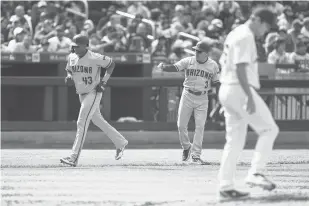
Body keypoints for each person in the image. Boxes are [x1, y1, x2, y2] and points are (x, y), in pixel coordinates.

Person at [217, 7, 279, 201]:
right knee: (269, 129)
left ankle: (226, 187)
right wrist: (249, 97)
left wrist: (229, 96)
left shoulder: (235, 33)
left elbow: (224, 63)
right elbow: (240, 67)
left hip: (227, 88)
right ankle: (256, 172)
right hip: (239, 88)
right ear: (259, 20)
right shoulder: (245, 36)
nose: (266, 31)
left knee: (234, 141)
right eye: (267, 26)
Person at [60, 34, 128, 167]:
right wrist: (68, 76)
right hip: (81, 93)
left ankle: (74, 157)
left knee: (81, 122)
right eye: (73, 45)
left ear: (86, 46)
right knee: (97, 120)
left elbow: (111, 64)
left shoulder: (94, 57)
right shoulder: (72, 56)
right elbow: (68, 70)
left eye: (77, 46)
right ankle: (120, 142)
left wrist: (104, 81)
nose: (74, 48)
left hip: (93, 92)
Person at [157, 41, 220, 165]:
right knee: (181, 125)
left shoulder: (213, 65)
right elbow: (175, 67)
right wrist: (164, 67)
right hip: (188, 95)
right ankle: (186, 147)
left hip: (203, 97)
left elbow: (216, 82)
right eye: (195, 50)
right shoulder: (189, 61)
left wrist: (220, 96)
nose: (196, 52)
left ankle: (196, 155)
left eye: (199, 51)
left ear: (206, 53)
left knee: (200, 126)